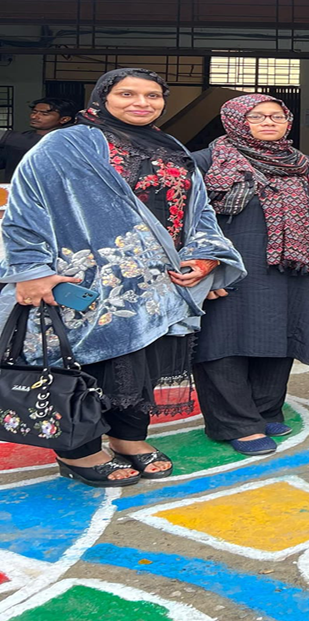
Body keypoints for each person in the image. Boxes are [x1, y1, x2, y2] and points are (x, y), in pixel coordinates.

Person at [0, 68, 242, 487]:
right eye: (127, 94)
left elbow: (198, 208)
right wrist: (30, 270)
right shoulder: (65, 143)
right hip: (83, 279)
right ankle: (79, 451)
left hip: (154, 282)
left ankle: (128, 439)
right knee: (85, 363)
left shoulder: (169, 146)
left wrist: (206, 256)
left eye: (153, 95)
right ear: (102, 97)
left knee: (140, 363)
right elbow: (26, 206)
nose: (142, 103)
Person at [192, 94, 309, 456]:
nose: (268, 122)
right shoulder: (206, 161)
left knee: (278, 336)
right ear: (235, 120)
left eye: (276, 116)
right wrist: (200, 265)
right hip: (227, 266)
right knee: (223, 340)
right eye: (257, 116)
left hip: (288, 264)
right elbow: (184, 219)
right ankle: (235, 423)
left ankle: (266, 410)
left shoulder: (302, 163)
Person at [0, 96, 76, 178]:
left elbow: (30, 142)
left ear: (64, 119)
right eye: (34, 112)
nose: (34, 117)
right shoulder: (25, 137)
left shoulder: (65, 140)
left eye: (44, 114)